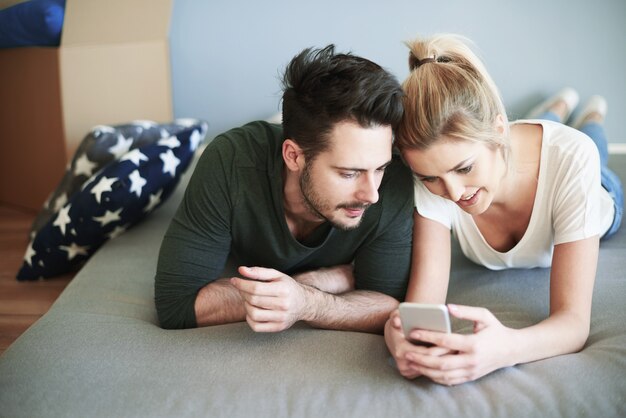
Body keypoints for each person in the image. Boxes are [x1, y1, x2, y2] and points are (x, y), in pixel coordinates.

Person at [384, 34, 623, 385]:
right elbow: (421, 306)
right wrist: (401, 340)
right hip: (511, 143)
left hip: (599, 190)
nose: (452, 193)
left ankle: (591, 114)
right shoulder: (435, 174)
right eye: (430, 178)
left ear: (497, 130)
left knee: (595, 148)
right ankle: (554, 108)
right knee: (508, 144)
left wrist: (504, 349)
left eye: (464, 168)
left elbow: (573, 323)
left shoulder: (573, 157)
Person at [155, 45, 415, 332]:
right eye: (349, 173)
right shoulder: (229, 161)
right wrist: (314, 284)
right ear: (293, 156)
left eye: (379, 168)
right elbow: (176, 306)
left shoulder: (395, 179)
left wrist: (307, 302)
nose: (371, 194)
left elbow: (389, 304)